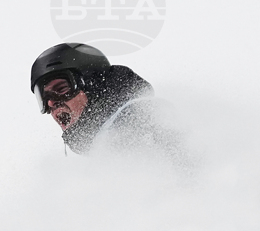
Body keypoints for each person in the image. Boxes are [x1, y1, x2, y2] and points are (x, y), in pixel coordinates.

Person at [30, 43, 190, 169]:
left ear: (93, 85)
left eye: (62, 89)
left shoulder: (139, 123)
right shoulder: (106, 144)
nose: (51, 103)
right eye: (44, 99)